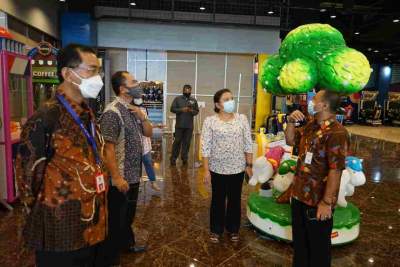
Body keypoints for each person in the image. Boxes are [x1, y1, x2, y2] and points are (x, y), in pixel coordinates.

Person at [16, 44, 107, 267]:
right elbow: (28, 179)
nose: (97, 78)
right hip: (59, 231)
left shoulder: (87, 113)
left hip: (92, 225)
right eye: (91, 70)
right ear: (67, 73)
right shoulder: (46, 117)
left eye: (98, 71)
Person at [285, 89, 349, 267]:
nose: (312, 102)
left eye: (315, 100)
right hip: (299, 195)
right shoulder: (311, 126)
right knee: (300, 246)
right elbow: (290, 141)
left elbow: (336, 170)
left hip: (317, 200)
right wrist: (290, 121)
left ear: (325, 105)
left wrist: (326, 202)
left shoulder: (337, 133)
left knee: (318, 250)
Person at [100, 71, 152, 265]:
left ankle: (126, 245)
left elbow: (148, 132)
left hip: (133, 174)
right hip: (120, 177)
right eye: (134, 82)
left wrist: (142, 117)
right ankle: (111, 258)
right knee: (116, 219)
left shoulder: (133, 109)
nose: (138, 84)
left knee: (128, 215)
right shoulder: (112, 112)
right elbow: (108, 148)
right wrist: (116, 177)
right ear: (123, 89)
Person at [201, 88, 253, 243]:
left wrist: (249, 165)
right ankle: (216, 229)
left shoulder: (242, 119)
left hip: (237, 168)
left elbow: (248, 143)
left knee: (235, 200)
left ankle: (233, 229)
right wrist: (206, 170)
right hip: (217, 169)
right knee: (217, 199)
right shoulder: (210, 121)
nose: (231, 101)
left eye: (232, 98)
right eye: (226, 99)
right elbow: (205, 146)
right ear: (218, 104)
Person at [131, 93, 161, 191]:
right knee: (136, 164)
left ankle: (153, 182)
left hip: (145, 141)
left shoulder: (144, 108)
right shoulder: (130, 109)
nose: (140, 100)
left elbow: (147, 122)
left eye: (141, 98)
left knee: (148, 162)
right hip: (134, 141)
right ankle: (136, 182)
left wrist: (156, 126)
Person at [170, 84, 199, 166]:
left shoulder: (193, 100)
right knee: (177, 142)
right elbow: (172, 109)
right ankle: (173, 158)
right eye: (186, 90)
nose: (187, 92)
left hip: (189, 126)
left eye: (189, 90)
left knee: (187, 143)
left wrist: (191, 111)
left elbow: (197, 111)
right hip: (179, 125)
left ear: (191, 91)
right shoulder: (177, 99)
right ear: (183, 91)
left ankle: (184, 158)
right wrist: (182, 109)